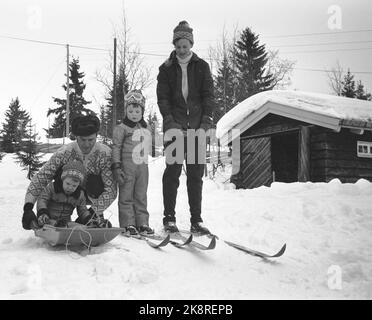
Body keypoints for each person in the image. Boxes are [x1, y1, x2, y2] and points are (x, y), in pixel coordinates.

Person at [156, 21, 215, 235]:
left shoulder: (202, 67)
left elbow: (209, 96)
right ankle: (169, 218)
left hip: (198, 128)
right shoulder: (166, 69)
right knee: (172, 173)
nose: (182, 50)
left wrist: (205, 123)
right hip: (175, 129)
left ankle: (196, 220)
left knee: (195, 176)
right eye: (178, 46)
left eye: (185, 46)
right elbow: (163, 99)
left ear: (191, 44)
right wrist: (171, 123)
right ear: (174, 45)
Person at [22, 115, 116, 230]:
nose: (86, 144)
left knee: (95, 183)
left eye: (91, 140)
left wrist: (93, 212)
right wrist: (28, 207)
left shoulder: (105, 154)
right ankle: (53, 217)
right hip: (63, 195)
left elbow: (111, 189)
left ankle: (92, 216)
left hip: (90, 196)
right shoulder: (64, 152)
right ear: (76, 137)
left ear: (97, 136)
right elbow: (41, 178)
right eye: (82, 139)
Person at [112, 89, 153, 236]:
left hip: (142, 167)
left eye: (137, 111)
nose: (134, 114)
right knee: (126, 195)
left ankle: (142, 222)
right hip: (127, 166)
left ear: (142, 111)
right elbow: (116, 147)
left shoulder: (147, 127)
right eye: (130, 111)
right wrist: (116, 166)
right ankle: (128, 223)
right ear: (126, 112)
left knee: (141, 195)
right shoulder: (121, 128)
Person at [36, 160, 101, 228]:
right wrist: (43, 212)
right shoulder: (52, 188)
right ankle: (58, 226)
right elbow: (42, 199)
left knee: (77, 227)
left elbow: (82, 210)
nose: (70, 188)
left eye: (74, 186)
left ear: (78, 185)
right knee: (51, 223)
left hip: (66, 222)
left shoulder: (79, 195)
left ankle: (92, 227)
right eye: (68, 183)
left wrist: (88, 219)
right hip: (48, 219)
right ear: (63, 179)